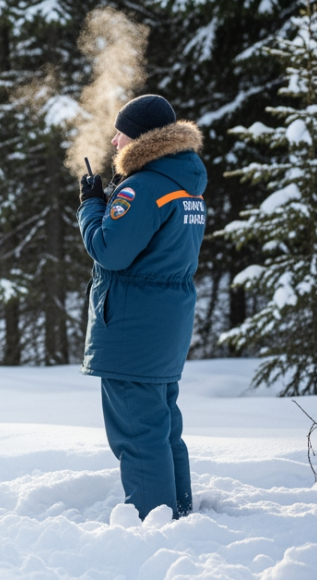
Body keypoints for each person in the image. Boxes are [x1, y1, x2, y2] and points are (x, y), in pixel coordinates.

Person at [78, 94, 206, 520]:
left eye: (121, 132)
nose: (115, 142)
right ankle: (178, 514)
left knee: (136, 432)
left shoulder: (141, 187)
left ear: (141, 137)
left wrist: (91, 206)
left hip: (133, 328)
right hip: (164, 325)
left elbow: (110, 251)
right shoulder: (184, 185)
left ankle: (155, 524)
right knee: (163, 428)